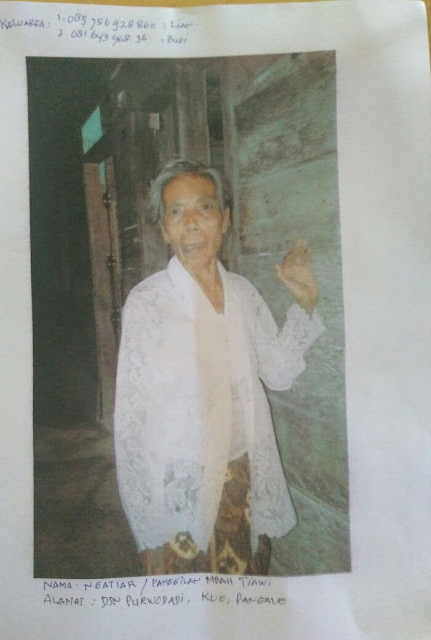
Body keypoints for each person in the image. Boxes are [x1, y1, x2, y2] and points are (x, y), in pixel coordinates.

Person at [114, 158, 324, 576]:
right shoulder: (148, 303)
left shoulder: (242, 294)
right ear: (164, 229)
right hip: (180, 488)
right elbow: (131, 424)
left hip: (244, 478)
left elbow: (277, 373)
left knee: (245, 593)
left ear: (224, 220)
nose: (191, 223)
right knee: (187, 601)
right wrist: (147, 523)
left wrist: (304, 304)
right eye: (176, 212)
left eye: (204, 208)